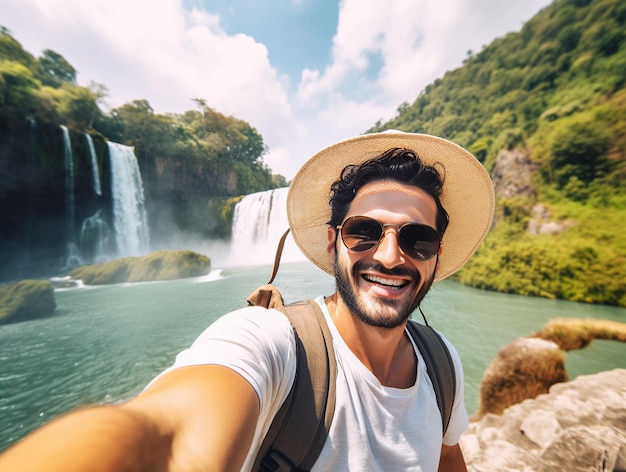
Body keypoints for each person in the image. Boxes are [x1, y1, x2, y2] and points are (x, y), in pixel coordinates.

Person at [0, 131, 495, 471]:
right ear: (331, 243)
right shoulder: (271, 343)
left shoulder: (440, 361)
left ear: (437, 256)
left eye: (418, 240)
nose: (389, 256)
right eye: (364, 233)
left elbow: (447, 459)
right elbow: (168, 435)